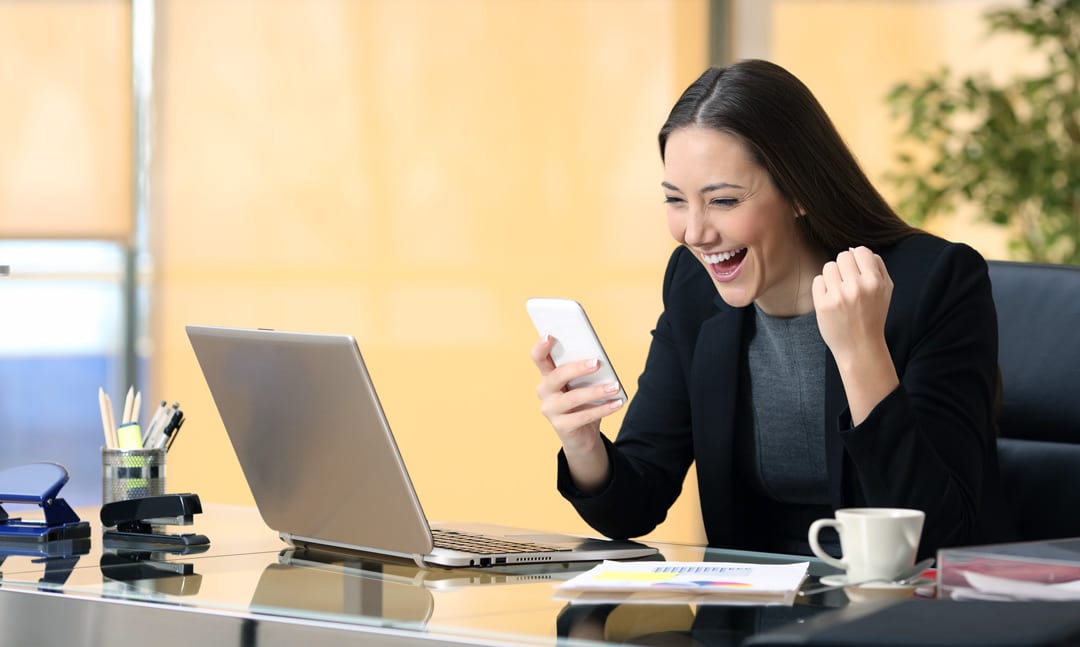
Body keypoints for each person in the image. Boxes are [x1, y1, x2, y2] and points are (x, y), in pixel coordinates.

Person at [530, 59, 1014, 558]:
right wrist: (584, 444)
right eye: (676, 200)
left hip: (906, 598)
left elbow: (934, 534)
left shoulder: (933, 282)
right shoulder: (691, 288)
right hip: (752, 599)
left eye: (723, 201)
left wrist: (860, 351)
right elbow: (635, 506)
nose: (694, 232)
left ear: (800, 190)